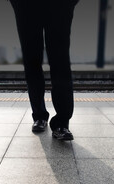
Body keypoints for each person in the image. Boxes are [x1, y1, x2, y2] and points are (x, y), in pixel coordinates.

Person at [9, 0, 79, 141]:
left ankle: (62, 123)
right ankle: (39, 115)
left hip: (59, 4)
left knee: (60, 58)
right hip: (26, 5)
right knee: (31, 59)